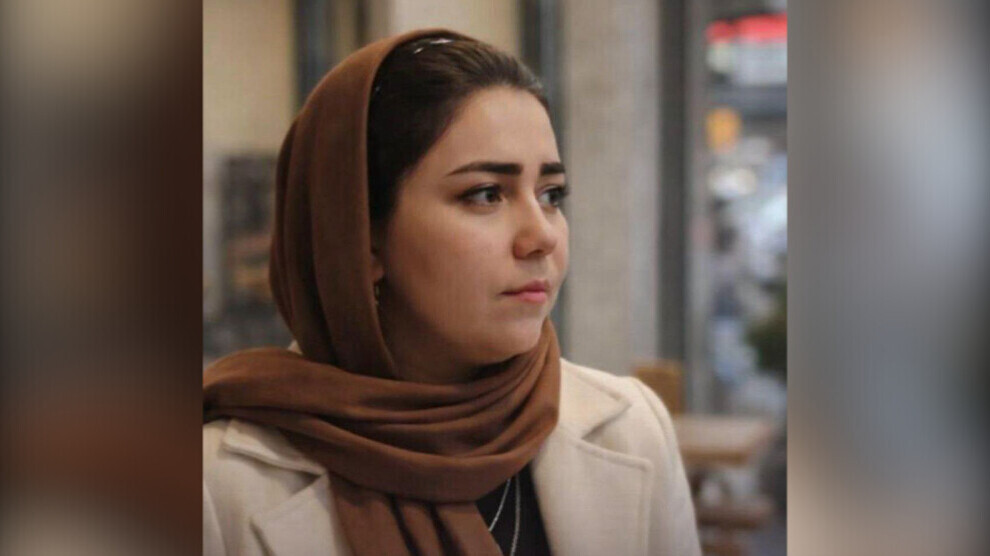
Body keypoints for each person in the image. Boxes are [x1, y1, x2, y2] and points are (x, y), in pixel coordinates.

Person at [203, 28, 701, 556]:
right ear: (362, 238)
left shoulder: (632, 429)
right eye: (485, 194)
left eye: (551, 194)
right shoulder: (214, 488)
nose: (542, 236)